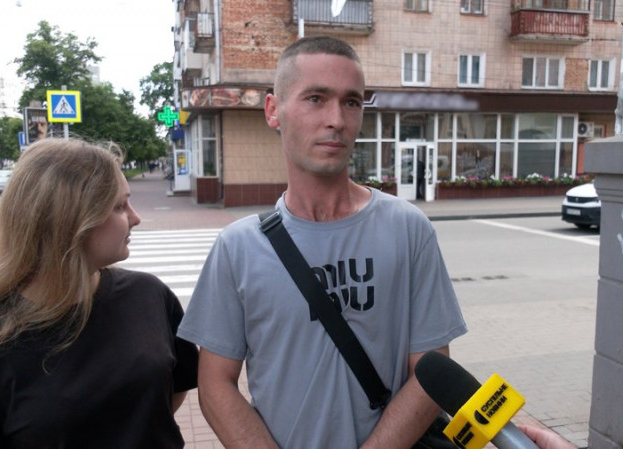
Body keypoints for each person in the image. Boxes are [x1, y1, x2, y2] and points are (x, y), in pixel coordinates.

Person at [177, 36, 467, 448]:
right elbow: (215, 385)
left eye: (351, 102)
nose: (337, 119)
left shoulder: (408, 228)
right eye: (316, 98)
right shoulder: (238, 248)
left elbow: (431, 370)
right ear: (273, 110)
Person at [0, 138, 198, 448]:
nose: (135, 218)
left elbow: (172, 389)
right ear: (70, 220)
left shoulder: (149, 295)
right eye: (119, 206)